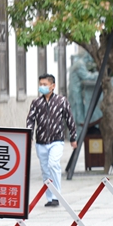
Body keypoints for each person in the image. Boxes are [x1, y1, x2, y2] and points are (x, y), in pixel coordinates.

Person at [26, 73, 78, 207]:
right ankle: (50, 198)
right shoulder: (36, 103)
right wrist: (29, 136)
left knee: (53, 164)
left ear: (52, 86)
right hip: (41, 142)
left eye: (45, 84)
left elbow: (70, 119)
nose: (42, 87)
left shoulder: (61, 101)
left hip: (57, 140)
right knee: (45, 170)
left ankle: (56, 195)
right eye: (40, 84)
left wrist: (73, 137)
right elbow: (30, 120)